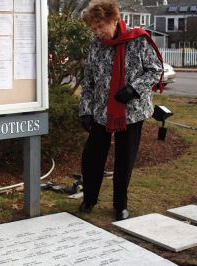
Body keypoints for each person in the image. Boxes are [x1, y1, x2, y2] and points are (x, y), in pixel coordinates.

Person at [78, 0, 163, 221]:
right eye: (94, 28)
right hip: (101, 111)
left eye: (101, 26)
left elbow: (155, 70)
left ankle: (120, 205)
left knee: (124, 160)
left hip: (131, 112)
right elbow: (88, 81)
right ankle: (89, 198)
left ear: (114, 20)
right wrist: (85, 110)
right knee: (92, 157)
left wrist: (133, 89)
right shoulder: (96, 44)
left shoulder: (138, 40)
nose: (98, 32)